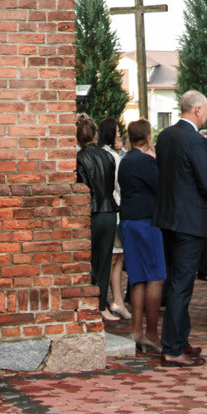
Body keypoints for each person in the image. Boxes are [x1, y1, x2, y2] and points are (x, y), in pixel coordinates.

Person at [153, 90, 207, 367]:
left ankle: (179, 340)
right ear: (196, 110)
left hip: (167, 216)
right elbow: (205, 180)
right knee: (182, 285)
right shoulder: (195, 139)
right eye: (206, 110)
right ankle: (172, 348)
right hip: (188, 220)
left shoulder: (165, 136)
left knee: (175, 281)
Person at [118, 121, 167, 354]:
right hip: (146, 222)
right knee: (156, 277)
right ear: (148, 139)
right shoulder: (147, 161)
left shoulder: (124, 160)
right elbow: (162, 188)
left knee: (137, 278)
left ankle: (136, 331)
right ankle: (152, 334)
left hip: (128, 221)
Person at [75, 115, 119, 322]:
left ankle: (88, 305)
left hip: (91, 213)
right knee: (104, 260)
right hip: (109, 211)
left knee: (88, 261)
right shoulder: (108, 156)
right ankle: (100, 305)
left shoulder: (80, 158)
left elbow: (83, 188)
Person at [100, 118, 131, 321]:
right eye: (117, 132)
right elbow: (119, 186)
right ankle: (109, 300)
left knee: (118, 257)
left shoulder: (107, 154)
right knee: (113, 258)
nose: (119, 135)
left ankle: (117, 300)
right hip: (114, 209)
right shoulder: (111, 156)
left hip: (113, 209)